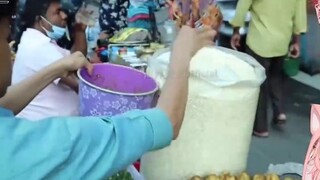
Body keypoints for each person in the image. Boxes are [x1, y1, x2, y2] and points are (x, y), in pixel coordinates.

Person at [0, 0, 217, 178]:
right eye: (5, 38)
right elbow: (167, 122)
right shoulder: (44, 147)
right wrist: (182, 55)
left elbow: (4, 106)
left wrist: (57, 68)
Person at [230, 0, 307, 137]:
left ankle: (261, 128)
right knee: (275, 76)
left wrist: (236, 29)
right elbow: (300, 15)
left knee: (259, 84)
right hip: (282, 41)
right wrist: (296, 42)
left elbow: (243, 5)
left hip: (259, 40)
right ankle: (279, 111)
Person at [11, 0, 87, 120]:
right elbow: (79, 84)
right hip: (48, 127)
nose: (64, 16)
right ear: (40, 20)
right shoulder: (39, 48)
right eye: (57, 12)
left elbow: (75, 57)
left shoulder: (35, 40)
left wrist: (80, 31)